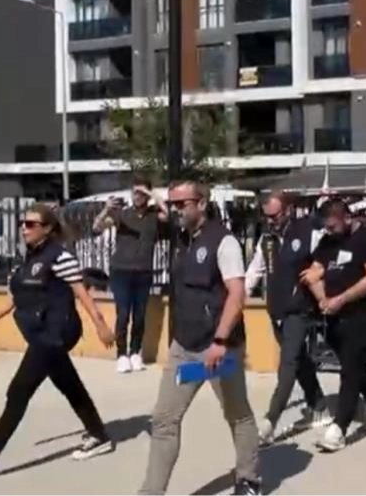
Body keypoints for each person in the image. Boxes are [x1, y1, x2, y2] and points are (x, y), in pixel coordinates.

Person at [0, 204, 115, 480]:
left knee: (19, 390)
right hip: (40, 333)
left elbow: (82, 293)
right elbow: (15, 300)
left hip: (58, 332)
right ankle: (98, 435)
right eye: (23, 223)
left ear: (47, 229)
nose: (24, 228)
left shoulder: (60, 257)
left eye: (31, 224)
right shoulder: (26, 262)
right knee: (69, 385)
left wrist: (100, 325)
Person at [138, 181, 261, 496]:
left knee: (237, 414)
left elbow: (236, 294)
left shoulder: (224, 242)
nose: (176, 210)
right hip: (184, 347)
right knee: (164, 419)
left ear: (202, 203)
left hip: (220, 349)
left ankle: (248, 479)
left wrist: (219, 341)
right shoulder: (181, 237)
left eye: (183, 204)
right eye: (173, 204)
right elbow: (159, 212)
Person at [301, 199, 366, 452]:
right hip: (333, 313)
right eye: (326, 227)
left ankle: (339, 429)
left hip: (364, 311)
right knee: (355, 364)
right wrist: (323, 299)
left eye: (332, 226)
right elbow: (313, 273)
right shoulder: (327, 242)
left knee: (350, 367)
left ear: (347, 218)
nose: (329, 231)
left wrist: (340, 299)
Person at [245, 193, 328, 446]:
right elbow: (254, 273)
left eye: (275, 215)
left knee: (288, 364)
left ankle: (269, 422)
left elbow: (327, 256)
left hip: (299, 309)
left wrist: (319, 273)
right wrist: (238, 297)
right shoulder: (266, 241)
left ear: (288, 210)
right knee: (299, 359)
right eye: (267, 217)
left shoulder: (308, 232)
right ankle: (319, 406)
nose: (271, 221)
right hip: (277, 311)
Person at [93, 174, 168, 374]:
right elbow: (97, 227)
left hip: (144, 271)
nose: (137, 196)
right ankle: (121, 354)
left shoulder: (154, 215)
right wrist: (105, 210)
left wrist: (151, 193)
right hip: (121, 271)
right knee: (123, 313)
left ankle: (135, 352)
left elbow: (167, 214)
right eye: (135, 192)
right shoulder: (122, 215)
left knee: (140, 314)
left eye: (141, 193)